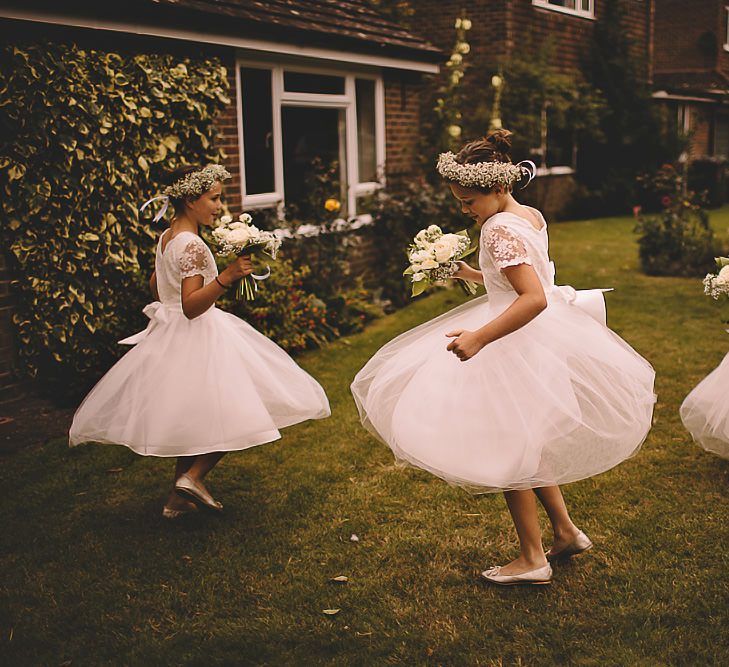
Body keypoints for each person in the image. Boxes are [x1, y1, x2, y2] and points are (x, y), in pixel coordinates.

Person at [351, 130, 656, 585]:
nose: (464, 210)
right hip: (536, 341)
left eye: (468, 201)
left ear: (497, 187)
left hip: (513, 341)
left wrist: (479, 337)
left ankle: (533, 558)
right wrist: (468, 272)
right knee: (526, 441)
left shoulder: (495, 229)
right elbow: (516, 278)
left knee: (510, 449)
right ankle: (566, 532)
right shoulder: (527, 215)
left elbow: (532, 298)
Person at [69, 164, 330, 518]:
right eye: (214, 198)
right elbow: (191, 306)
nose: (219, 207)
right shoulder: (192, 244)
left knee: (193, 416)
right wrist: (227, 276)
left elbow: (157, 286)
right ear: (191, 199)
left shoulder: (168, 237)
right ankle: (194, 476)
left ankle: (178, 496)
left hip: (171, 335)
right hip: (198, 332)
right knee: (236, 409)